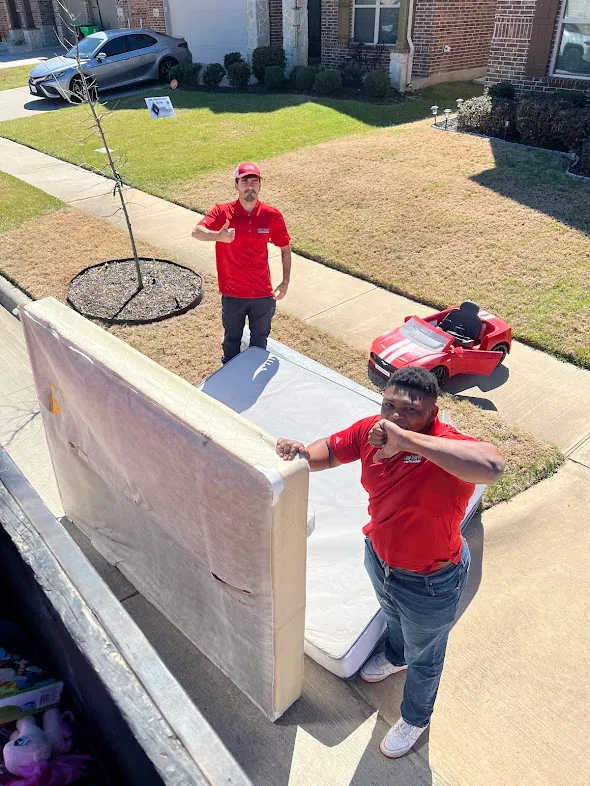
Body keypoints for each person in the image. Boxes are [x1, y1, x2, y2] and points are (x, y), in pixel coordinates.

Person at [276, 367, 504, 759]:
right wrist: (302, 455)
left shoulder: (447, 445)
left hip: (432, 579)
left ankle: (416, 717)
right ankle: (395, 655)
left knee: (427, 656)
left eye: (409, 410)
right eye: (389, 406)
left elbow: (492, 467)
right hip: (380, 559)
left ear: (432, 411)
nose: (395, 417)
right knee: (393, 616)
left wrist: (408, 441)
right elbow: (330, 450)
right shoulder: (371, 431)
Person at [192, 162, 291, 364]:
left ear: (260, 186)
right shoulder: (222, 212)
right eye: (244, 181)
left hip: (262, 294)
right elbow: (196, 232)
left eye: (254, 181)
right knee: (231, 342)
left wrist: (285, 282)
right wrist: (218, 236)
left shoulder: (271, 215)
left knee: (259, 345)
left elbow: (285, 248)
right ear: (236, 185)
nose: (250, 186)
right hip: (232, 293)